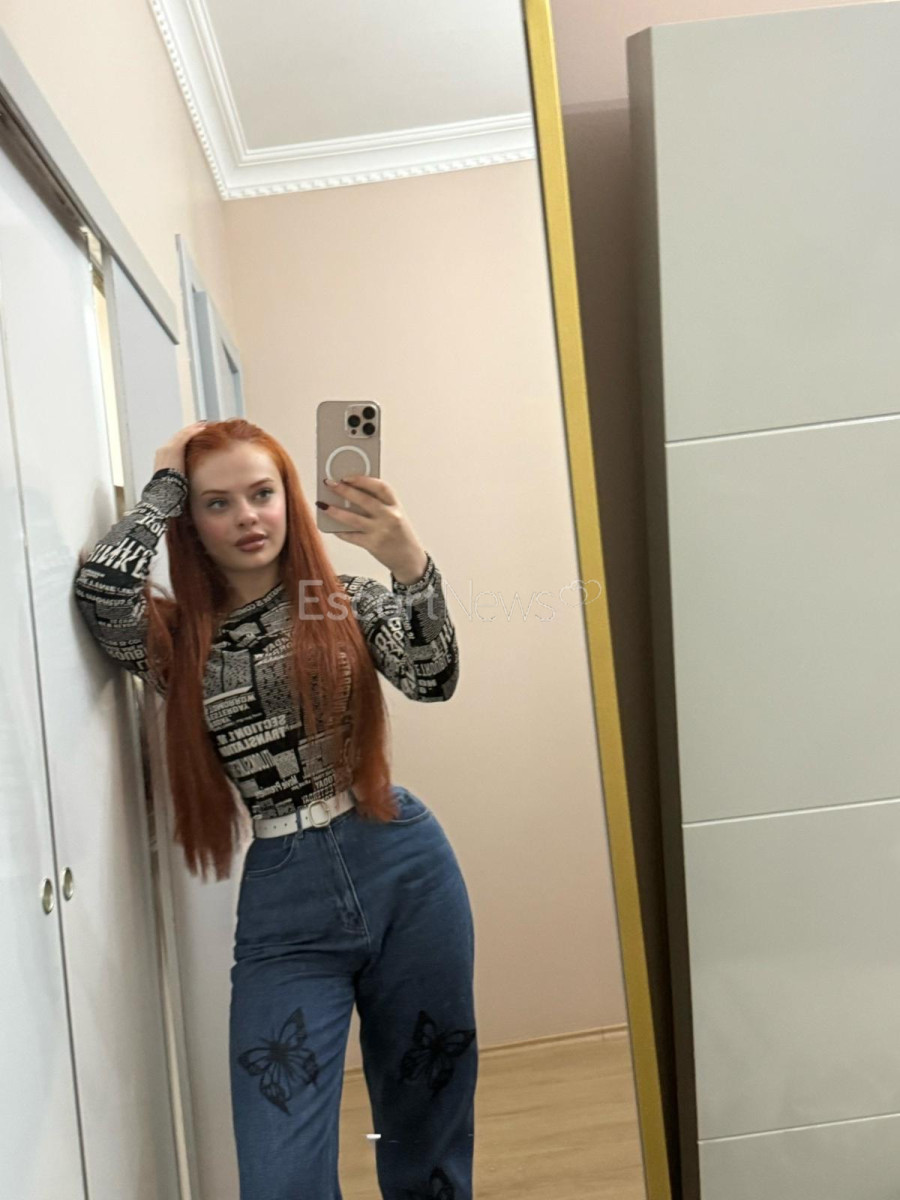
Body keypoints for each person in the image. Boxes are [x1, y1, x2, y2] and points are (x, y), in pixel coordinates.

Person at [73, 417, 477, 1200]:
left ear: (289, 498)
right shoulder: (178, 639)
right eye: (217, 503)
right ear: (191, 519)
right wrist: (165, 486)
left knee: (427, 1118)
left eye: (262, 493)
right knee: (279, 1167)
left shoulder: (342, 601)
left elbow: (432, 678)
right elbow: (103, 591)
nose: (247, 517)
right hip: (286, 901)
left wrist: (411, 566)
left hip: (405, 865)